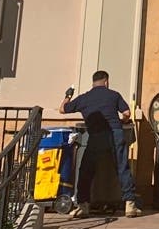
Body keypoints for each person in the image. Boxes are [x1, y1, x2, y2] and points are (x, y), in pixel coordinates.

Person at [59, 70, 140, 219]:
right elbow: (127, 112)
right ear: (106, 81)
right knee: (122, 167)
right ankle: (130, 204)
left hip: (96, 135)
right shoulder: (114, 95)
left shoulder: (84, 98)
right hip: (115, 132)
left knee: (86, 169)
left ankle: (83, 205)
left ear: (93, 82)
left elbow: (62, 109)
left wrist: (68, 96)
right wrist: (123, 121)